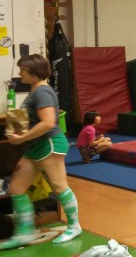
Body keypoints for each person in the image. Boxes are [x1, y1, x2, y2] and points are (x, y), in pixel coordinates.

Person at [1, 54, 82, 248]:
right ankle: (24, 233)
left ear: (33, 72)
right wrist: (19, 131)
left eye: (23, 70)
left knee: (59, 186)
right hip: (35, 147)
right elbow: (32, 121)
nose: (20, 74)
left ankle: (74, 226)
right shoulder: (35, 91)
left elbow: (48, 123)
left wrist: (22, 138)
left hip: (50, 144)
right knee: (16, 188)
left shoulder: (43, 92)